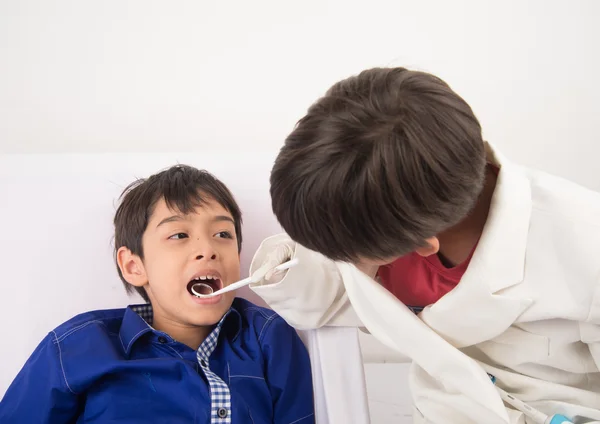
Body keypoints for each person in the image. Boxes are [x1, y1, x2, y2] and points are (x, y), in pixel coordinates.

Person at [248, 67, 600, 423]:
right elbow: (333, 293)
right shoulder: (375, 211)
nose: (343, 260)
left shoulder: (584, 244)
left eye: (348, 253)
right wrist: (281, 271)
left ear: (422, 245)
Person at [0, 165, 315, 424]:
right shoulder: (74, 347)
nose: (208, 250)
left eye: (223, 234)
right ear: (134, 266)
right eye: (179, 235)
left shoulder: (269, 338)